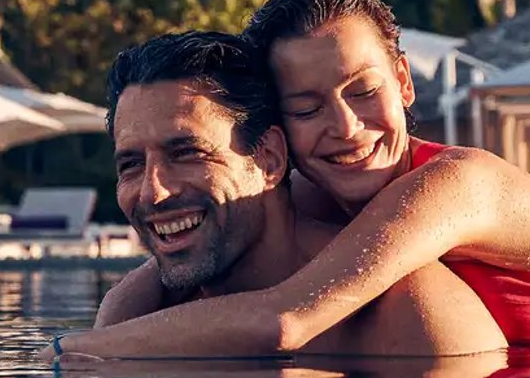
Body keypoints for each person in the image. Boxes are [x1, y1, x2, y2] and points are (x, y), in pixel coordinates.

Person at [67, 0, 530, 360]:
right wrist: (134, 295)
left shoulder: (458, 185)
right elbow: (209, 225)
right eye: (307, 105)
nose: (346, 127)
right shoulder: (319, 197)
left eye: (363, 91)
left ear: (404, 81)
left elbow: (286, 318)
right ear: (278, 138)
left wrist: (70, 355)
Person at [55, 30, 505, 359]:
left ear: (269, 159)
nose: (153, 191)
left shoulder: (409, 313)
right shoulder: (144, 314)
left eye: (187, 152)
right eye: (130, 164)